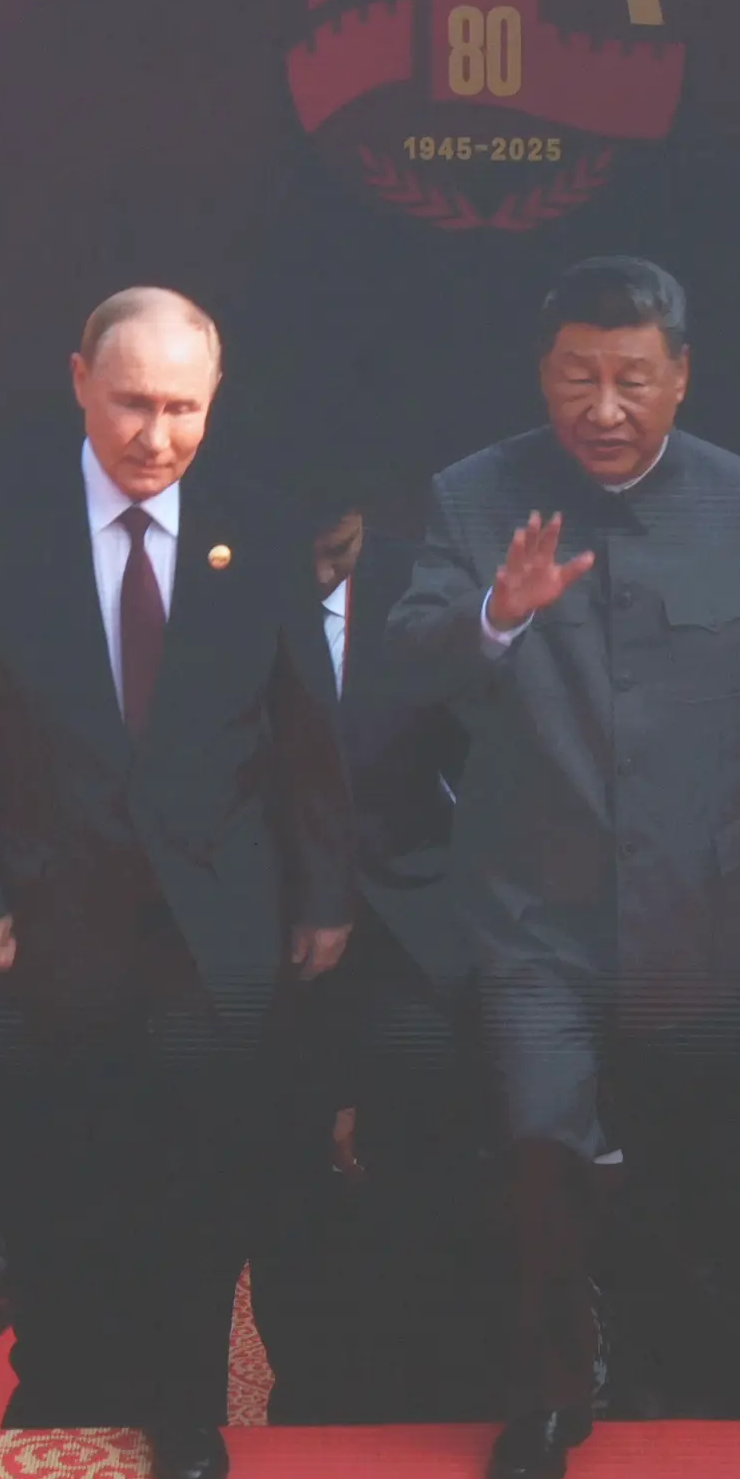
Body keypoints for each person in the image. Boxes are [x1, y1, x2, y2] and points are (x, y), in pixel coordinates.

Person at [383, 256, 740, 1479]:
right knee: (539, 1145)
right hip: (534, 913)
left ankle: (681, 1387)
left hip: (711, 911)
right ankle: (545, 1391)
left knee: (691, 1166)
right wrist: (496, 613)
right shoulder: (475, 496)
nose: (603, 407)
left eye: (632, 380)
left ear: (681, 377)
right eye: (578, 378)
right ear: (544, 373)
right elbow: (412, 660)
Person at [0, 286, 351, 1479]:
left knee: (200, 1184)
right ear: (78, 384)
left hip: (215, 932)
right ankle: (62, 1408)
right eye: (133, 404)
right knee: (59, 1185)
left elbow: (306, 728)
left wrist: (323, 899)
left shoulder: (255, 531)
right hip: (46, 929)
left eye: (184, 408)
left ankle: (185, 1412)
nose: (157, 436)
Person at [249, 492, 502, 1424]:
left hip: (409, 930)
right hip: (272, 935)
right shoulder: (223, 568)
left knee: (425, 1160)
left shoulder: (427, 588)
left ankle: (423, 1390)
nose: (321, 568)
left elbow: (492, 756)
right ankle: (309, 1392)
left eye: (338, 547)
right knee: (282, 1170)